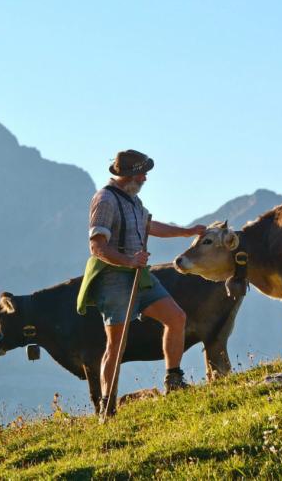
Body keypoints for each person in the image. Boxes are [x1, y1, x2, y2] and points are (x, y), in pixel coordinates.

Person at [76, 149, 206, 418]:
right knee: (116, 344)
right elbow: (97, 246)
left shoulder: (133, 200)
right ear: (130, 175)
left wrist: (187, 232)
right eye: (142, 172)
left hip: (139, 274)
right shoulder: (105, 200)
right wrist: (128, 260)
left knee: (176, 317)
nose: (146, 177)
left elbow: (150, 226)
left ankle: (173, 379)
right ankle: (107, 406)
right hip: (113, 277)